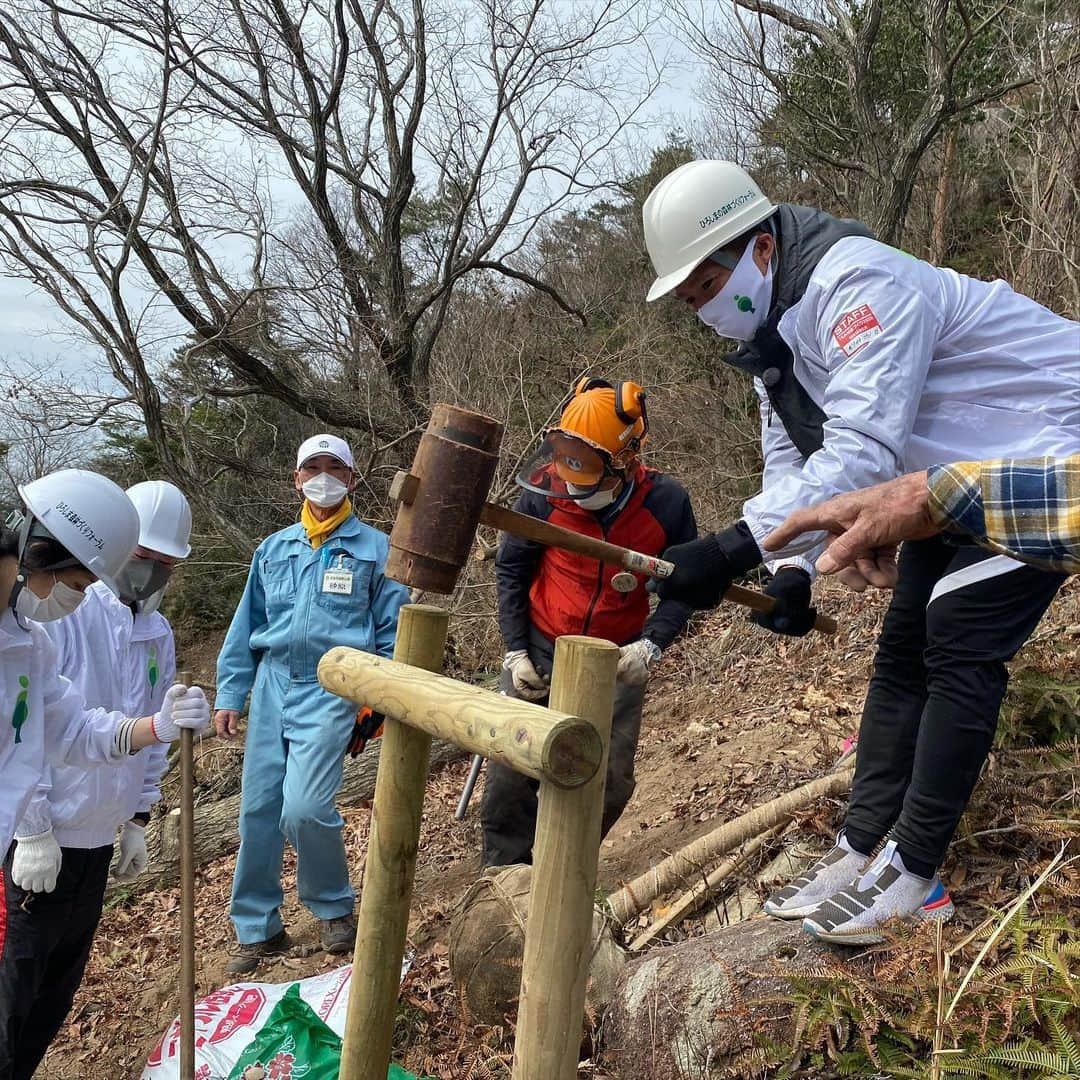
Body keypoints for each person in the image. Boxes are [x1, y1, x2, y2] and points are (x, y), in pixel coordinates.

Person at [642, 159, 1079, 943]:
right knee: (902, 646)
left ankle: (915, 876)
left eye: (706, 287)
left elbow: (863, 448)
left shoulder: (859, 284)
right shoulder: (771, 341)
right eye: (689, 301)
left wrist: (732, 548)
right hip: (942, 485)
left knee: (957, 639)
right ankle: (860, 848)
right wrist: (789, 571)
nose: (703, 309)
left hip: (1045, 453)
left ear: (761, 249)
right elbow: (794, 462)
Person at [0, 469, 209, 1073]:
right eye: (75, 579)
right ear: (39, 549)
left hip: (88, 838)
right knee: (10, 998)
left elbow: (70, 729)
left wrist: (158, 733)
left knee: (48, 997)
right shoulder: (57, 625)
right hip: (34, 844)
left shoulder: (29, 644)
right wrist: (34, 828)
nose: (79, 591)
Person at [481, 378, 698, 867]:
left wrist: (652, 645)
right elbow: (512, 567)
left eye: (589, 479)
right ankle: (501, 879)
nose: (575, 490)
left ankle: (562, 868)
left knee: (609, 778)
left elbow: (685, 588)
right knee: (510, 776)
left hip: (615, 656)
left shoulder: (665, 504)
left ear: (624, 461)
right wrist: (515, 648)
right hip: (541, 642)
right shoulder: (543, 494)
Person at [213, 435, 409, 973]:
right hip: (273, 684)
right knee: (257, 810)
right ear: (296, 479)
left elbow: (394, 630)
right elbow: (246, 625)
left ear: (351, 478)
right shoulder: (273, 549)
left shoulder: (377, 548)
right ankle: (258, 927)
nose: (322, 476)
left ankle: (332, 907)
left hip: (334, 686)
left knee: (302, 807)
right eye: (311, 468)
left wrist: (379, 700)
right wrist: (231, 693)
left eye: (334, 468)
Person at [763, 455, 1080, 584]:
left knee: (953, 629)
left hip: (1019, 458)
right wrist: (793, 568)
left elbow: (863, 436)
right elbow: (787, 454)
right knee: (903, 639)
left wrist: (927, 496)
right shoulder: (767, 350)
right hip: (941, 490)